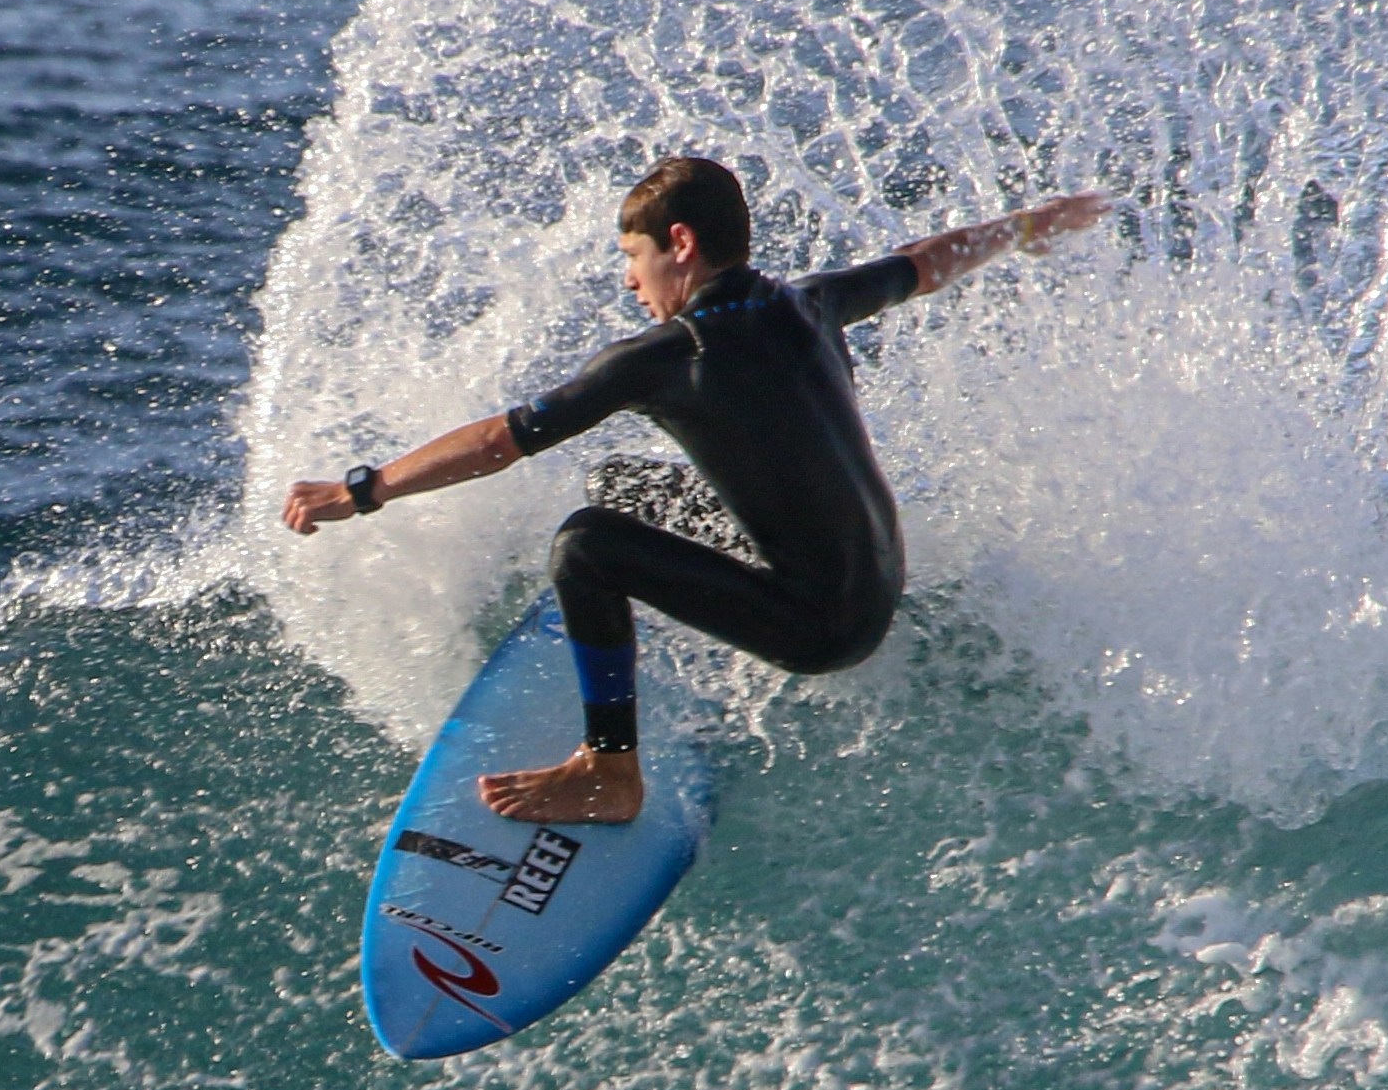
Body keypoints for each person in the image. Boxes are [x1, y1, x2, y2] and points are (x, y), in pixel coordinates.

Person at [280, 155, 1108, 825]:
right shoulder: (811, 301)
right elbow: (930, 262)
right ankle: (636, 647)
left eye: (632, 259)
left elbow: (501, 442)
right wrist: (1027, 227)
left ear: (678, 243)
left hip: (820, 628)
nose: (631, 284)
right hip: (878, 585)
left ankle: (611, 770)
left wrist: (363, 490)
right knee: (621, 485)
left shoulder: (665, 354)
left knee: (586, 543)